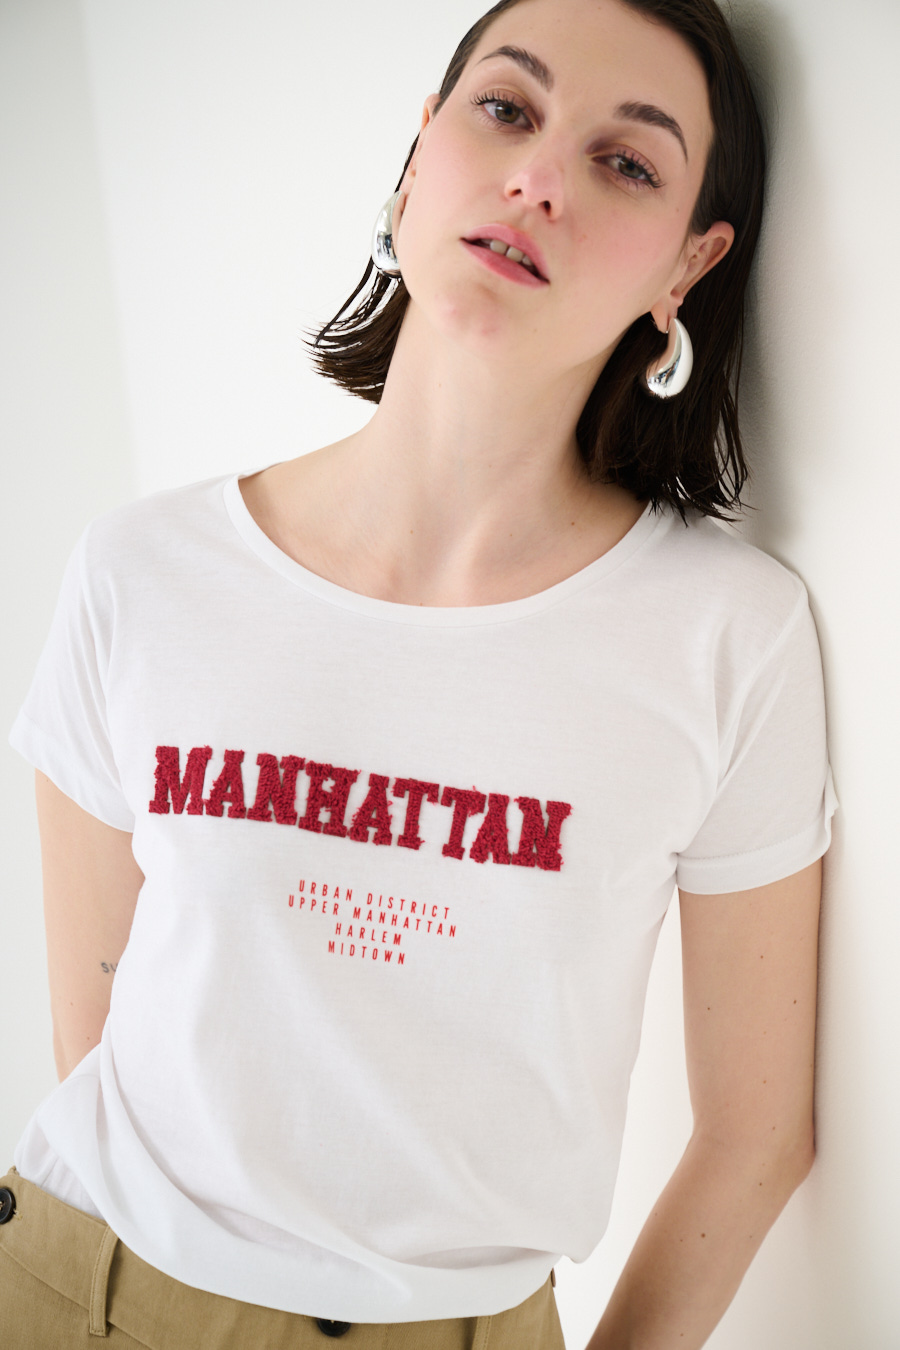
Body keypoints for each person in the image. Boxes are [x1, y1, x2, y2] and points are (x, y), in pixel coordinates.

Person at [0, 0, 836, 1345]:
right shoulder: (142, 572)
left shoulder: (728, 637)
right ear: (415, 160)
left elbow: (756, 1135)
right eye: (506, 108)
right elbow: (100, 1037)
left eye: (626, 162)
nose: (540, 178)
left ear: (690, 263)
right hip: (61, 1286)